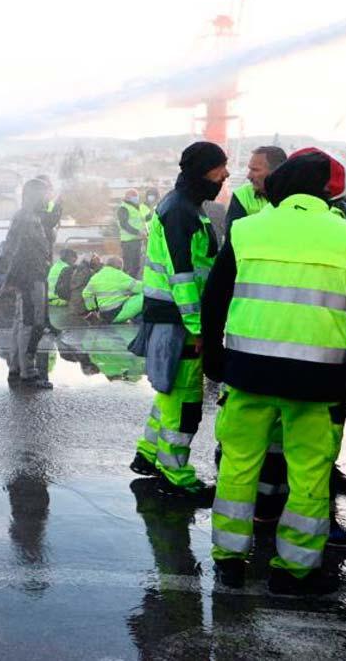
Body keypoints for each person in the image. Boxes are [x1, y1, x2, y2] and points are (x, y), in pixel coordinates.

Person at [201, 149, 346, 595]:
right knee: (309, 474)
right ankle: (294, 571)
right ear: (327, 191)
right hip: (319, 381)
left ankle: (229, 561)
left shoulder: (246, 230)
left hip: (248, 373)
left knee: (239, 467)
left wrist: (214, 358)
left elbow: (215, 295)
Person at [130, 142, 227, 503]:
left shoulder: (186, 206)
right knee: (183, 398)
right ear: (204, 170)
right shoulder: (180, 211)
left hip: (172, 316)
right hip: (177, 318)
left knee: (169, 390)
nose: (226, 175)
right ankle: (175, 473)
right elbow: (182, 275)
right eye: (221, 168)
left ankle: (149, 453)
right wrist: (198, 327)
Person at [3, 178, 55, 388]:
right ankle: (28, 372)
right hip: (30, 277)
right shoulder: (26, 218)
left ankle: (17, 368)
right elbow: (15, 250)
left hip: (30, 276)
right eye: (45, 194)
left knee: (22, 323)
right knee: (32, 324)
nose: (48, 198)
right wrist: (13, 279)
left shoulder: (28, 216)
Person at [224, 145, 287, 235]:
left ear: (276, 171)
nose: (249, 176)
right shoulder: (242, 195)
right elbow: (232, 239)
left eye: (255, 170)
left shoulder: (296, 196)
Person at [83, 255, 143, 323]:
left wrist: (92, 309)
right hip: (116, 313)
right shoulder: (119, 275)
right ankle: (138, 320)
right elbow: (141, 288)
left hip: (103, 315)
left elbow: (86, 294)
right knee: (146, 296)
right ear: (119, 266)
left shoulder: (95, 277)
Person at [117, 189, 152, 277]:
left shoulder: (136, 207)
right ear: (127, 197)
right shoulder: (123, 208)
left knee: (136, 266)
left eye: (136, 196)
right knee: (129, 266)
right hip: (128, 241)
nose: (136, 198)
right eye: (134, 196)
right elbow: (124, 224)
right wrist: (138, 232)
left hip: (137, 241)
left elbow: (147, 219)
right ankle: (126, 284)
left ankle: (133, 284)